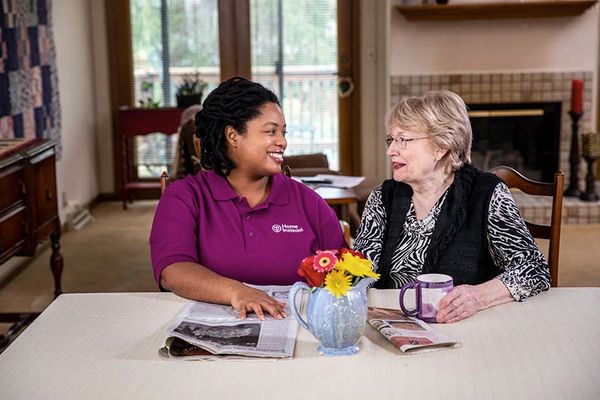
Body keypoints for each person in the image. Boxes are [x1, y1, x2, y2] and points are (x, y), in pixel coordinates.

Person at [150, 77, 346, 320]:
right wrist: (237, 292)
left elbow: (343, 271)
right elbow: (172, 271)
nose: (282, 141)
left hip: (296, 329)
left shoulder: (308, 201)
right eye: (271, 131)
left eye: (283, 132)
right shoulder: (183, 197)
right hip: (211, 331)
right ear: (233, 136)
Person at [353, 90, 550, 323]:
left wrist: (477, 297)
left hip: (468, 329)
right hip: (397, 326)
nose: (391, 150)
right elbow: (360, 270)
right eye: (391, 139)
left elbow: (534, 269)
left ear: (441, 146)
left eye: (403, 139)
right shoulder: (382, 198)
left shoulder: (484, 194)